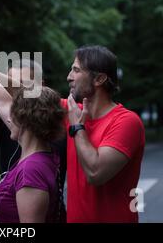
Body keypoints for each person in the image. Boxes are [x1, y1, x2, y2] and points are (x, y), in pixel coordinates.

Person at [0, 21, 67, 221]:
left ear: (23, 119)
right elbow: (0, 103)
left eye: (14, 108)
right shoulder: (40, 146)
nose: (8, 113)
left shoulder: (31, 171)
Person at [65, 45, 145, 223]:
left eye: (76, 70)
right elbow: (25, 95)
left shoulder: (127, 122)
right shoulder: (73, 111)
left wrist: (77, 127)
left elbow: (95, 172)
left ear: (99, 79)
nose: (69, 77)